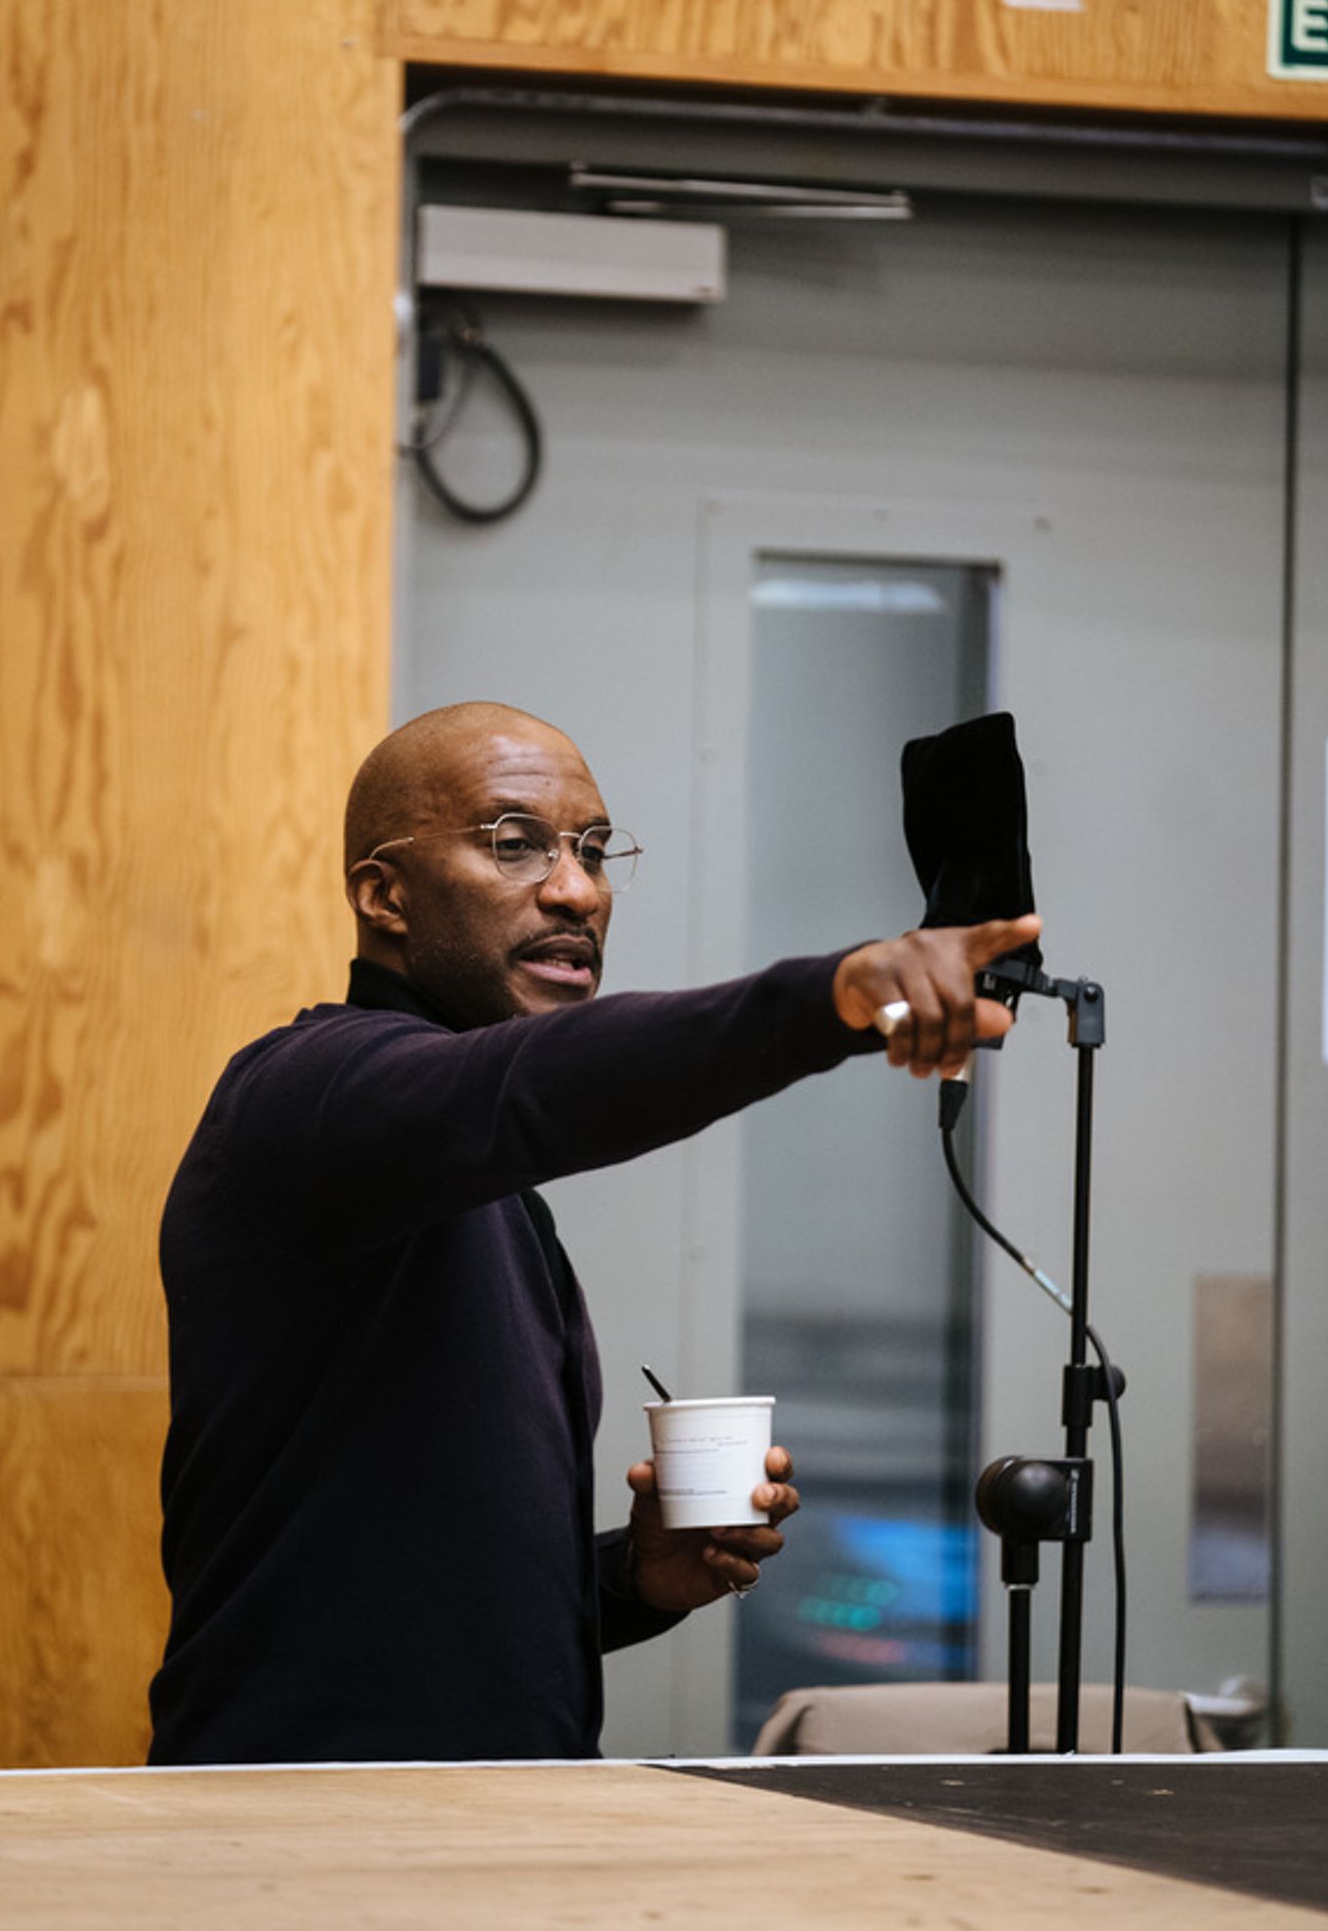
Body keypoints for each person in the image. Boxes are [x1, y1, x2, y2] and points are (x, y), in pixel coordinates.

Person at [147, 701, 1038, 1765]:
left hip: (498, 1823)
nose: (575, 891)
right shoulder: (309, 1095)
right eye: (512, 843)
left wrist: (633, 1576)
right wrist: (833, 995)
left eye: (593, 850)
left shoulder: (477, 1183)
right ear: (382, 895)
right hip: (297, 1834)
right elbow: (536, 1088)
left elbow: (428, 1606)